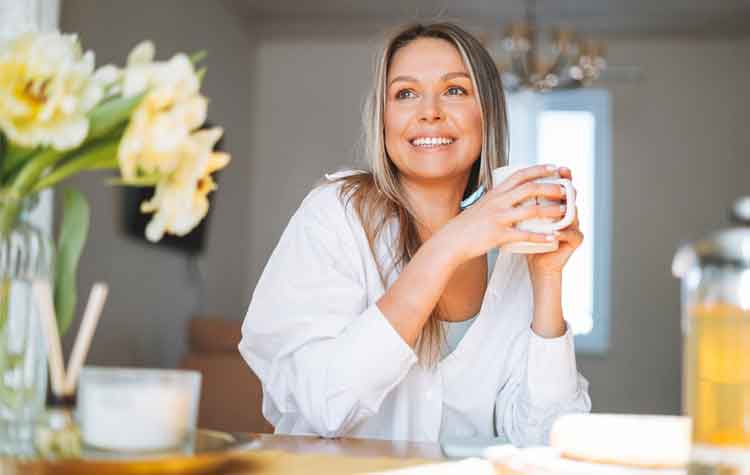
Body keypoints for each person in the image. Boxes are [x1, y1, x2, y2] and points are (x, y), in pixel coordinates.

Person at [239, 22, 591, 446]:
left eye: (455, 91)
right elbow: (323, 406)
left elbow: (546, 437)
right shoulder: (336, 214)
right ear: (383, 118)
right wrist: (450, 245)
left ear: (488, 114)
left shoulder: (511, 248)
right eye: (405, 93)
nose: (430, 111)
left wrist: (548, 278)